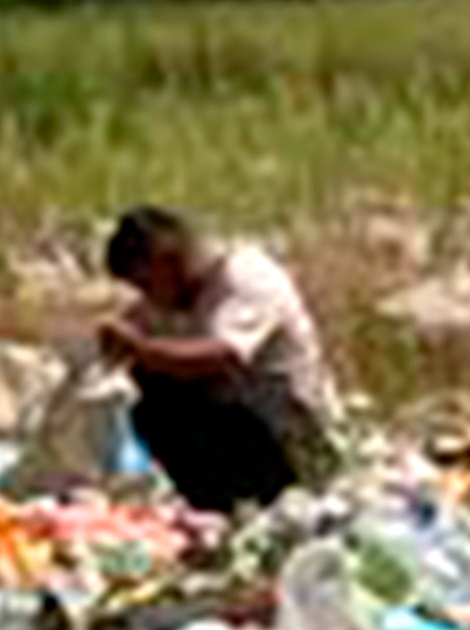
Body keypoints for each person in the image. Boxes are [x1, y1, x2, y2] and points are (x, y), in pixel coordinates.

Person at [93, 205, 336, 513]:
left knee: (172, 409)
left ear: (168, 262)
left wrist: (139, 347)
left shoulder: (244, 278)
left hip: (284, 431)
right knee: (152, 403)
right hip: (239, 427)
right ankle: (220, 509)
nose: (148, 296)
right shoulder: (175, 301)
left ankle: (249, 505)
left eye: (147, 283)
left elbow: (220, 355)